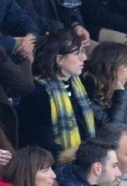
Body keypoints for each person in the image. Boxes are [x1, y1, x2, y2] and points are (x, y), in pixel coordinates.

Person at [16, 29, 97, 160]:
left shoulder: (80, 84)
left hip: (84, 159)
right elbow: (41, 142)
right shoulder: (38, 92)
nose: (84, 58)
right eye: (78, 53)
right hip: (53, 166)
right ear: (59, 59)